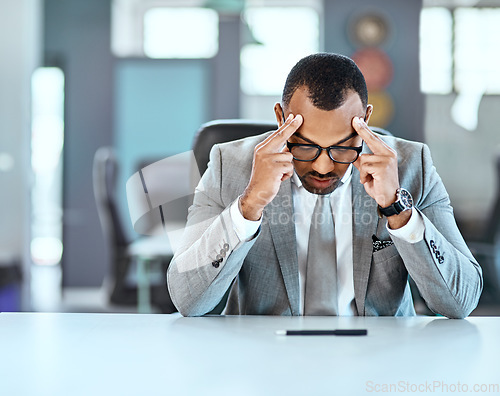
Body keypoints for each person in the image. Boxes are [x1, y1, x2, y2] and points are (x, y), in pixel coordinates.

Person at [167, 53, 482, 318]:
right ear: (280, 118)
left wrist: (397, 210)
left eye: (342, 147)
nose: (322, 166)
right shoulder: (229, 165)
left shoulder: (412, 165)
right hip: (263, 360)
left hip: (381, 358)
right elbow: (187, 300)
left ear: (366, 120)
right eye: (305, 146)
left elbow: (460, 302)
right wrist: (248, 206)